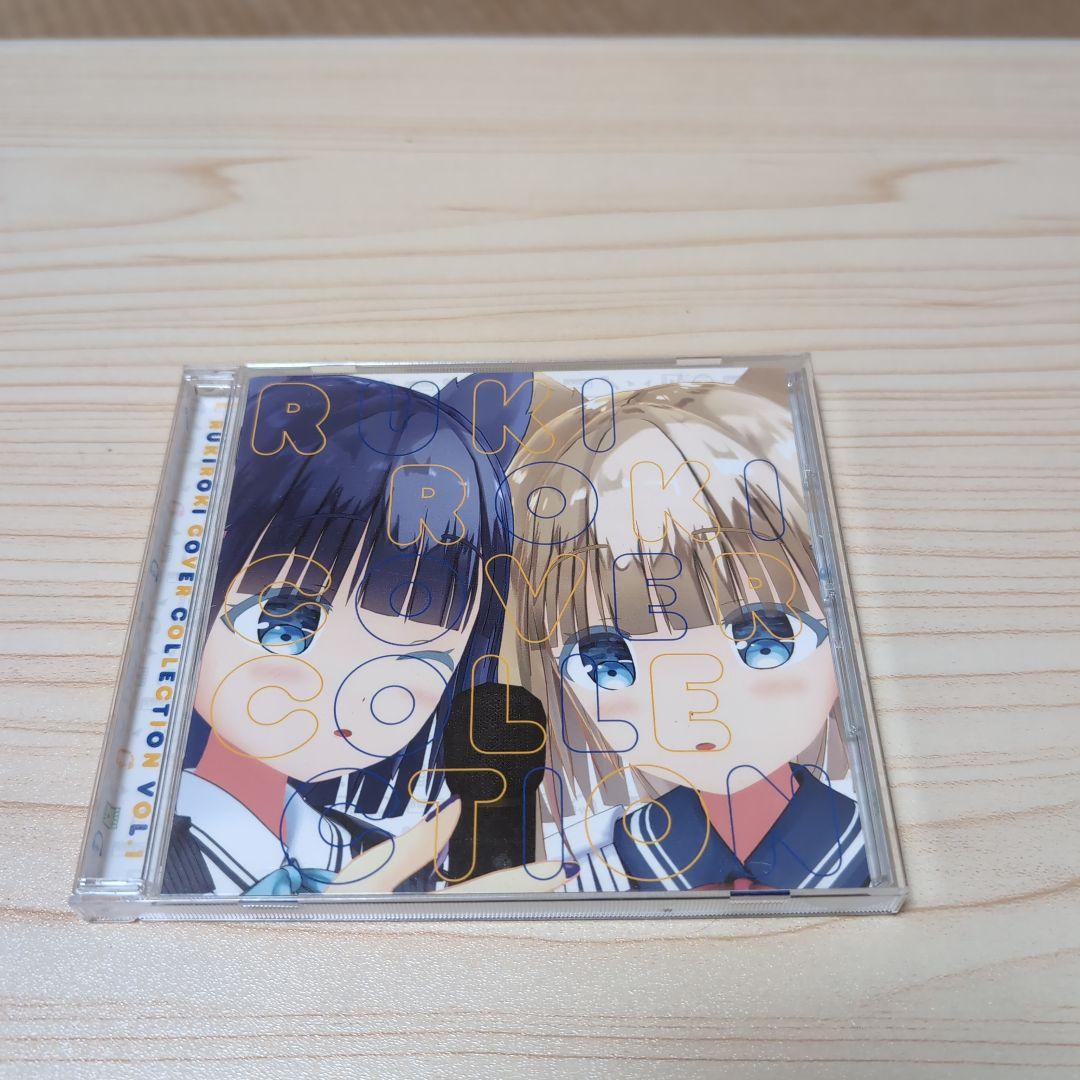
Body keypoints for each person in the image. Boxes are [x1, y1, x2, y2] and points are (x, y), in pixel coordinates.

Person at [163, 371, 575, 896]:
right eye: (286, 625)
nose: (349, 690)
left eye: (420, 658)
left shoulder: (386, 860)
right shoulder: (160, 859)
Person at [500, 376, 870, 892]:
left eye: (766, 641)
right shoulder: (588, 882)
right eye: (607, 663)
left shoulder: (873, 854)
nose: (690, 697)